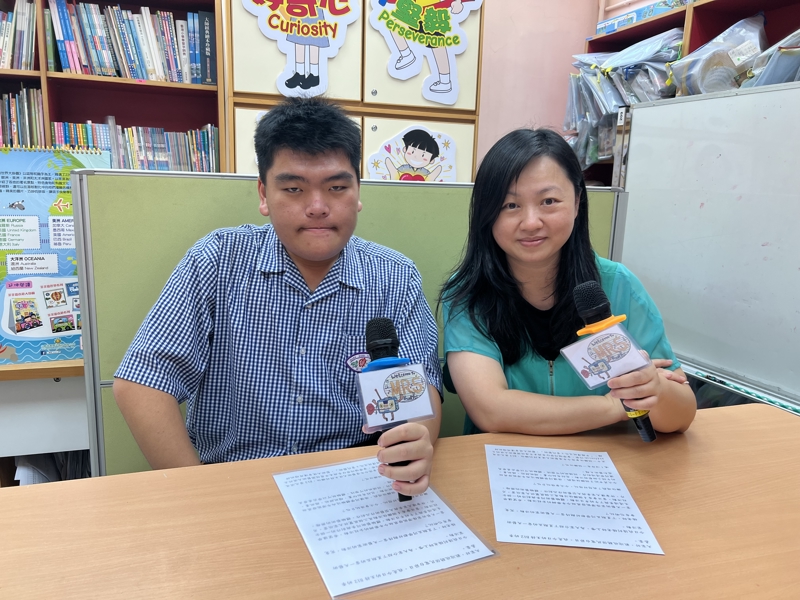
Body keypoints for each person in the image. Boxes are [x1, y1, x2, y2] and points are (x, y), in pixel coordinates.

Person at [114, 97, 443, 497]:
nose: (317, 207)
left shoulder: (394, 276)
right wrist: (198, 494)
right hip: (233, 482)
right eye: (293, 188)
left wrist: (414, 446)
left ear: (358, 191)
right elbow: (143, 384)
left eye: (337, 187)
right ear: (264, 194)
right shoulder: (216, 260)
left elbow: (418, 393)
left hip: (354, 482)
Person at [440, 128, 696, 436]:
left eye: (548, 201)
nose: (531, 222)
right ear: (486, 212)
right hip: (503, 460)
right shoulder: (468, 294)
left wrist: (656, 391)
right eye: (510, 205)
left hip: (610, 459)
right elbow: (491, 410)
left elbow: (681, 415)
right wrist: (616, 406)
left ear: (577, 202)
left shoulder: (618, 285)